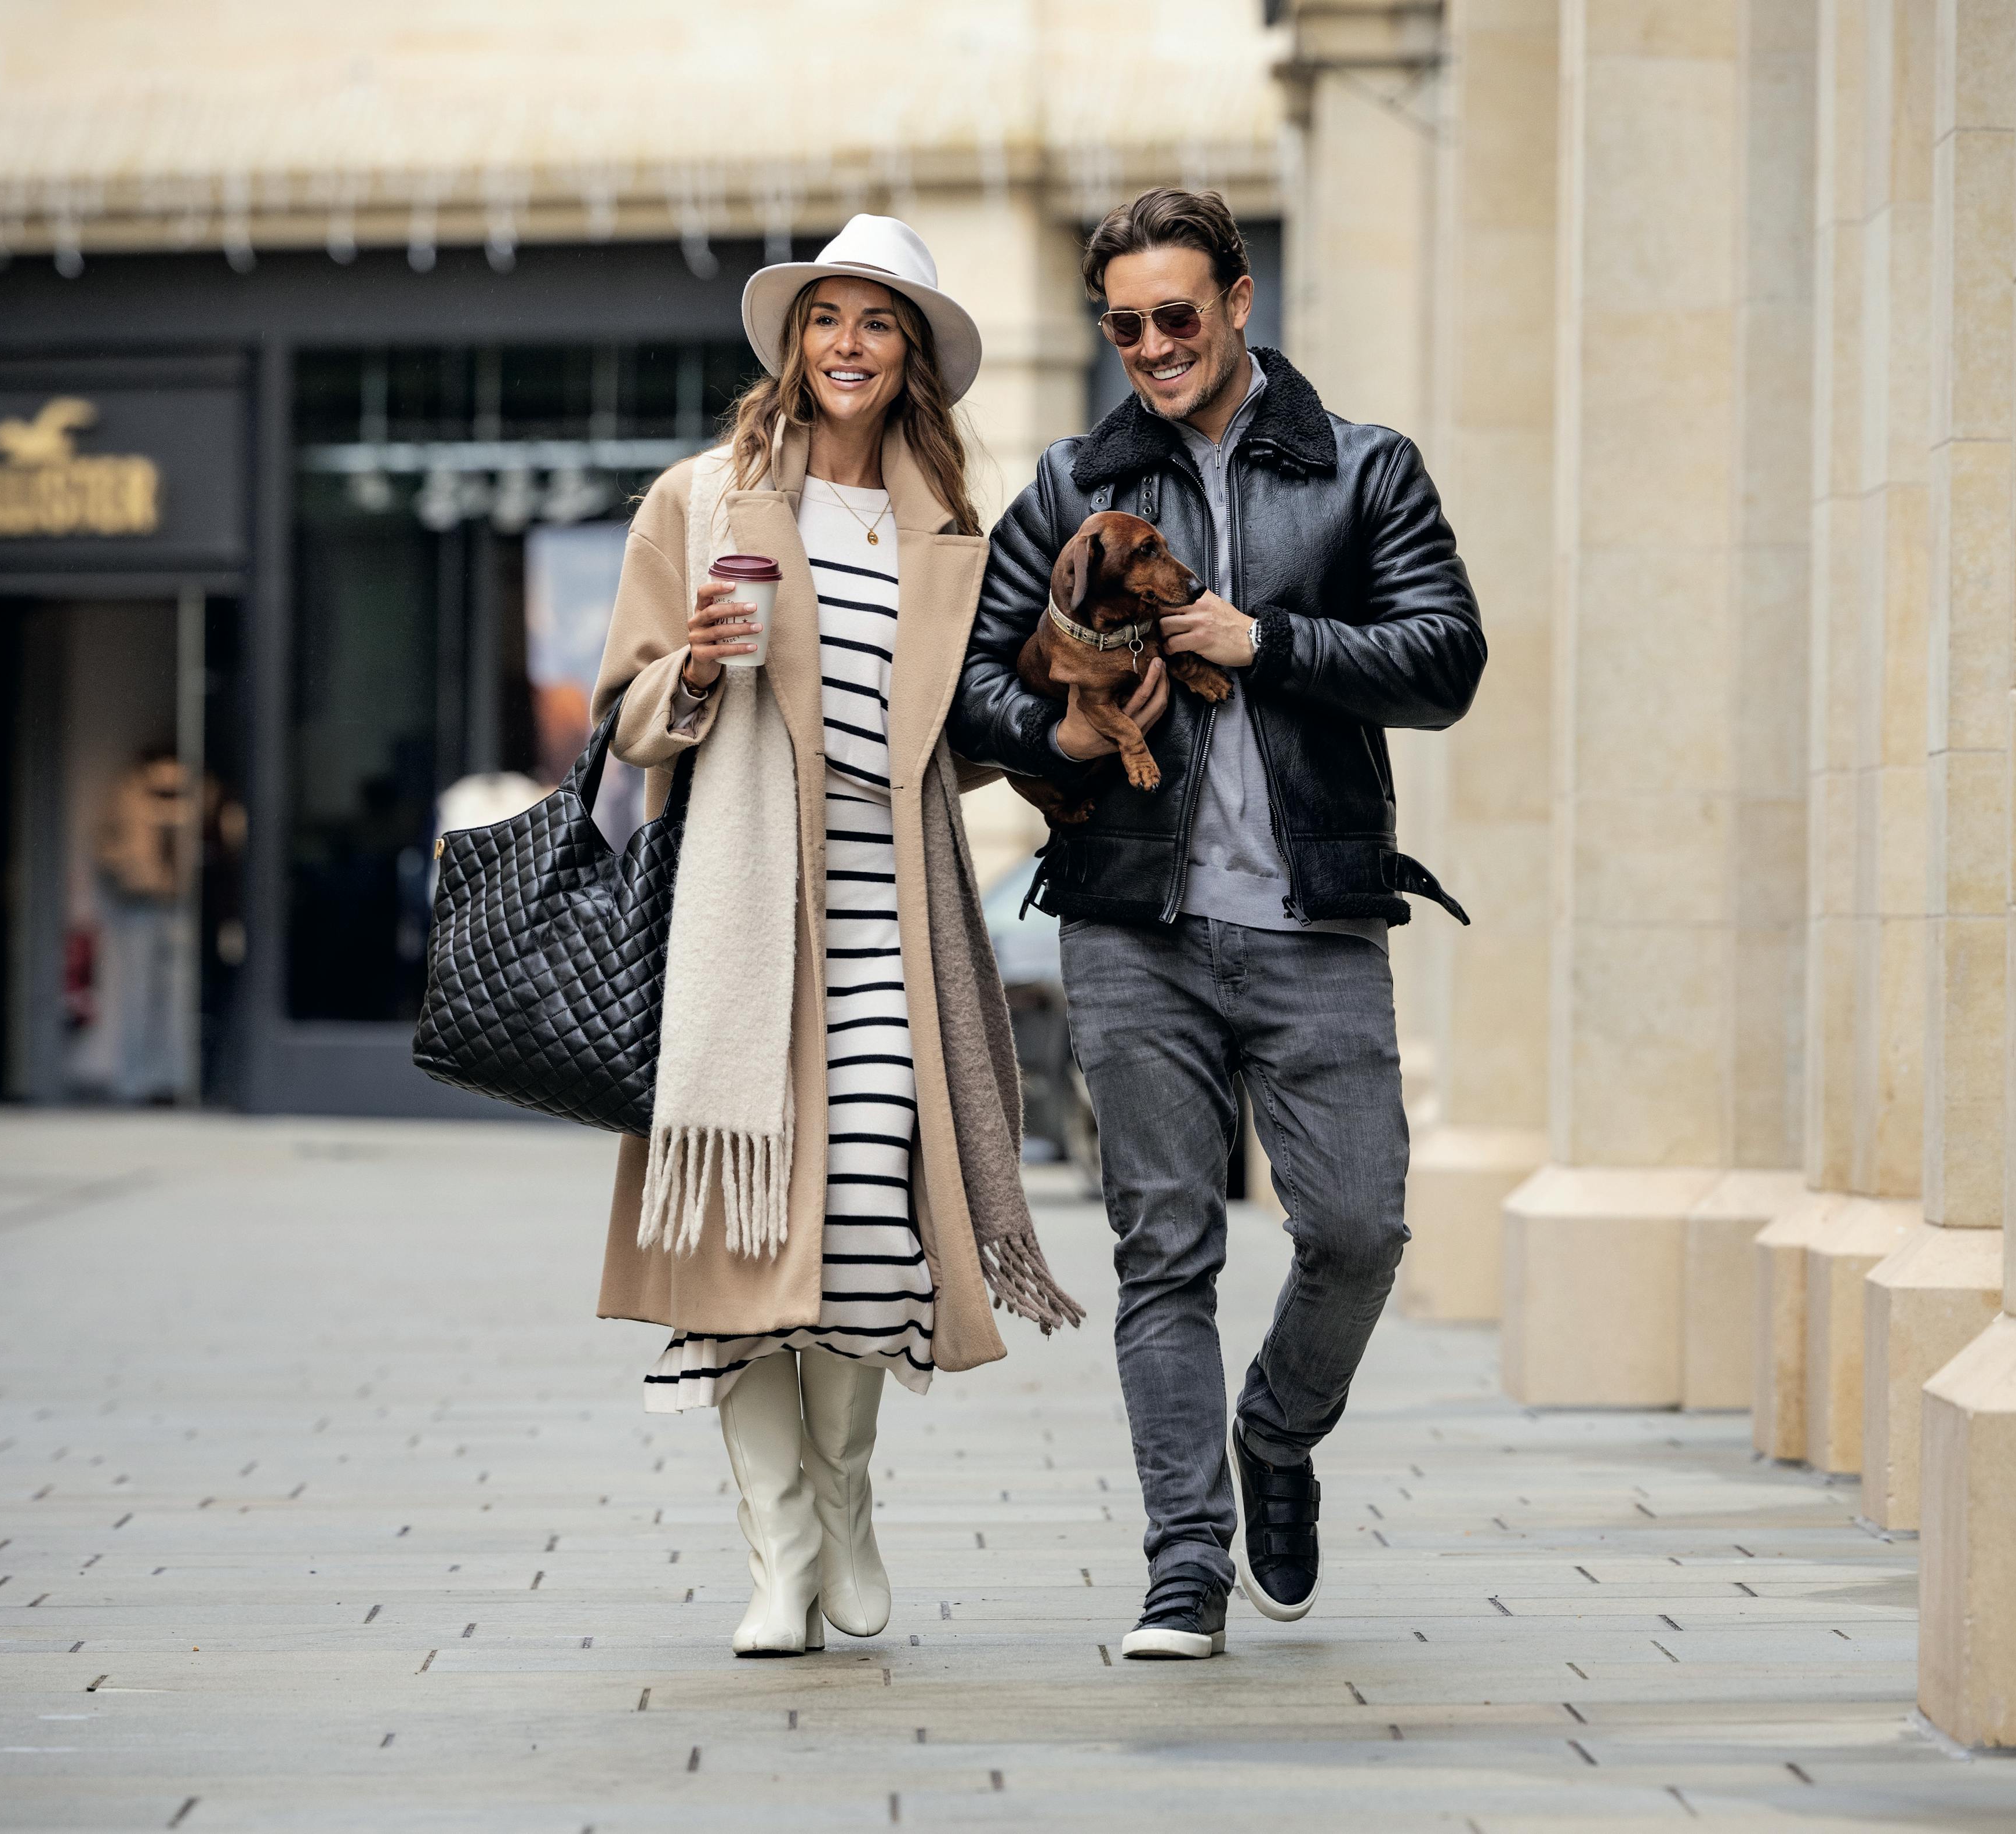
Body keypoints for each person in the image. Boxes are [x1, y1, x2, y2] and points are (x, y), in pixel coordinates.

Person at [949, 188, 1485, 1660]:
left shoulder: (1364, 468)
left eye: (1176, 316)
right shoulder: (1072, 485)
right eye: (1123, 325)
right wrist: (1061, 734)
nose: (1152, 347)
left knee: (1359, 1228)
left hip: (1316, 921)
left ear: (1241, 302)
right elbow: (972, 688)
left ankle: (1278, 1431)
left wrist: (1272, 640)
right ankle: (1183, 1561)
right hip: (1131, 925)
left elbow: (1446, 659)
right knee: (1164, 1250)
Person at [591, 215, 1081, 1658]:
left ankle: (846, 1490)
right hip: (739, 918)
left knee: (868, 1227)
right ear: (795, 341)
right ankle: (783, 1550)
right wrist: (693, 671)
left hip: (892, 915)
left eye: (878, 322)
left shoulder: (947, 526)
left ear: (910, 354)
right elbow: (625, 710)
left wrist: (1061, 725)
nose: (849, 344)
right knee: (742, 1247)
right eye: (828, 317)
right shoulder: (702, 500)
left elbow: (961, 729)